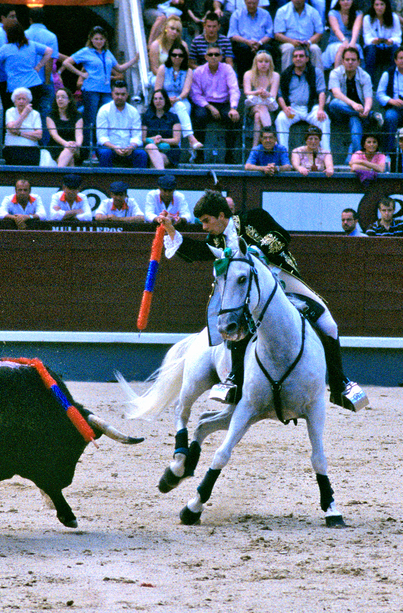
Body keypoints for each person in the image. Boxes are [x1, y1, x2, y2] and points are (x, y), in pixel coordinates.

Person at [158, 189, 368, 410]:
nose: (204, 227)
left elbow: (281, 235)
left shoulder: (253, 218)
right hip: (250, 290)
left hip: (281, 277)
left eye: (206, 221)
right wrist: (171, 230)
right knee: (236, 322)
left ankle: (339, 384)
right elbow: (197, 252)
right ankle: (234, 380)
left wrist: (255, 252)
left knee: (329, 324)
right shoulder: (216, 239)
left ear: (221, 215)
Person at [61, 26, 139, 147]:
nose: (99, 41)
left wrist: (134, 60)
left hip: (106, 90)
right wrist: (81, 74)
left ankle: (104, 146)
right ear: (91, 39)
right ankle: (88, 148)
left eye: (101, 39)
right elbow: (66, 62)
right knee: (90, 119)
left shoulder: (107, 53)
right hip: (91, 90)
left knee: (107, 117)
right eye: (96, 39)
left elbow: (119, 68)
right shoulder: (85, 51)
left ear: (105, 40)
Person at [0, 20, 51, 117]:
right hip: (34, 84)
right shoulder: (31, 44)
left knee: (17, 116)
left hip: (16, 87)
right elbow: (49, 51)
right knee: (34, 116)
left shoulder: (6, 48)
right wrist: (39, 66)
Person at [275, 46, 330, 151]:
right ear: (292, 59)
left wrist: (321, 109)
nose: (298, 58)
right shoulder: (286, 74)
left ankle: (326, 154)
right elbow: (280, 95)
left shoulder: (316, 72)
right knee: (281, 119)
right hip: (293, 109)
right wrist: (285, 108)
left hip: (311, 108)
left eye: (301, 56)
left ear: (307, 58)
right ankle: (283, 155)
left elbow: (322, 92)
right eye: (295, 56)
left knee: (324, 119)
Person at [328, 46, 375, 162]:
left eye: (353, 60)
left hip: (358, 114)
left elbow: (368, 97)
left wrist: (367, 109)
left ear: (359, 62)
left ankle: (355, 157)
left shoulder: (365, 76)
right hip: (339, 113)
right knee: (334, 103)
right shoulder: (335, 73)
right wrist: (354, 105)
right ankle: (371, 116)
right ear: (343, 61)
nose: (350, 62)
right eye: (347, 59)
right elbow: (336, 93)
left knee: (354, 120)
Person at [156, 43, 205, 154]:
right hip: (163, 99)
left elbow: (186, 91)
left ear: (184, 57)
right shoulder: (163, 69)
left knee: (181, 107)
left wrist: (176, 99)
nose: (177, 57)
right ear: (170, 56)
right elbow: (157, 89)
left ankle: (177, 148)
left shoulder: (188, 71)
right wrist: (167, 99)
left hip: (181, 99)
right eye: (174, 55)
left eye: (180, 55)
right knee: (179, 108)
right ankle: (191, 139)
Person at [96, 81, 147, 168]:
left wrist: (131, 147)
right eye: (117, 94)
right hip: (109, 148)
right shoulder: (104, 110)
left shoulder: (133, 111)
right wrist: (114, 147)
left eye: (123, 94)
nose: (120, 97)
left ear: (127, 95)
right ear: (112, 94)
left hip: (129, 149)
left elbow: (137, 137)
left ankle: (138, 178)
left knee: (141, 154)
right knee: (105, 153)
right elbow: (102, 137)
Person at [227, 0, 277, 79]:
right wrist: (247, 42)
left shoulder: (265, 14)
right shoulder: (237, 14)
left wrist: (259, 43)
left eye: (254, 3)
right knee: (243, 49)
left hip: (261, 43)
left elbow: (270, 34)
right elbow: (232, 34)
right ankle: (243, 80)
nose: (251, 6)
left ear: (258, 2)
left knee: (269, 49)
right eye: (249, 3)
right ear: (244, 2)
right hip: (243, 43)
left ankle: (267, 78)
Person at [273, 0, 325, 72]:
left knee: (315, 49)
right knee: (288, 48)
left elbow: (319, 32)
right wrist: (292, 41)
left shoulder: (313, 12)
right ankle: (286, 76)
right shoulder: (282, 11)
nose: (298, 0)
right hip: (288, 42)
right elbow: (278, 34)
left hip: (308, 42)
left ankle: (318, 77)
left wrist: (309, 42)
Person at [243, 51, 280, 150]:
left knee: (258, 116)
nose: (263, 64)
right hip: (252, 104)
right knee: (260, 108)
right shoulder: (248, 74)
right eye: (260, 61)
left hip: (268, 105)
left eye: (266, 62)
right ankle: (273, 139)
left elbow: (273, 95)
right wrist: (257, 92)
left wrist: (267, 94)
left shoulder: (275, 75)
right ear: (256, 63)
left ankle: (254, 148)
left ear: (270, 63)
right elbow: (246, 92)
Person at [3, 86, 47, 166]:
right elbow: (13, 129)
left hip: (31, 149)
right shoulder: (10, 112)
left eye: (24, 99)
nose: (21, 101)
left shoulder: (35, 114)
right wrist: (24, 114)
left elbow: (39, 135)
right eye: (18, 99)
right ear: (14, 102)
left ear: (29, 101)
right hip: (12, 147)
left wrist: (19, 133)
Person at [143, 89, 182, 169]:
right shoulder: (146, 118)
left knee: (155, 160)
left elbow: (176, 140)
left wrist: (161, 140)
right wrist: (154, 138)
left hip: (169, 151)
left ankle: (160, 173)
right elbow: (143, 138)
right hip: (150, 149)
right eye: (155, 99)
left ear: (165, 100)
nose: (158, 101)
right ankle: (162, 174)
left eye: (161, 98)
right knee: (151, 147)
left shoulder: (173, 117)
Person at [362, 0, 402, 77]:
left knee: (395, 49)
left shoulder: (394, 17)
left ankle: (393, 78)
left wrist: (391, 41)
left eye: (382, 4)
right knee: (371, 50)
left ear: (386, 5)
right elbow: (366, 38)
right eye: (377, 5)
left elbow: (398, 36)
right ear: (373, 6)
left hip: (389, 47)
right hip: (374, 47)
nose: (379, 7)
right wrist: (373, 41)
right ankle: (369, 79)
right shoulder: (367, 18)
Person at [46, 86, 83, 167]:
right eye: (57, 97)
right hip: (56, 147)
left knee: (70, 151)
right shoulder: (50, 116)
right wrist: (66, 144)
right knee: (70, 160)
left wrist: (77, 144)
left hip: (74, 146)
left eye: (63, 97)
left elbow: (79, 134)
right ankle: (61, 173)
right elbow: (54, 135)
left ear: (69, 100)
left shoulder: (77, 116)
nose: (60, 99)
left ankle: (58, 173)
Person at [323, 0, 363, 71]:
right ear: (338, 1)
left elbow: (356, 29)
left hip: (353, 42)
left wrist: (352, 43)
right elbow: (336, 30)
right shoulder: (333, 13)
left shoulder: (358, 13)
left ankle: (357, 75)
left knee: (354, 49)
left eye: (348, 0)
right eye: (343, 0)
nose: (345, 2)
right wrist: (344, 41)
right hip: (336, 42)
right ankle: (336, 74)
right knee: (342, 47)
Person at [149, 15, 184, 84]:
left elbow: (185, 66)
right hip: (159, 76)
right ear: (166, 28)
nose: (174, 32)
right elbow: (154, 69)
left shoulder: (183, 45)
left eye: (177, 30)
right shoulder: (155, 45)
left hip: (177, 76)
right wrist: (169, 77)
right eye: (172, 28)